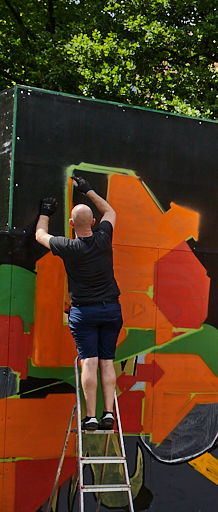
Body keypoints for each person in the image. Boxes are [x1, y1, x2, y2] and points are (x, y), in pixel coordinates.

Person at [35, 175, 122, 433]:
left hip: (84, 312)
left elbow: (41, 234)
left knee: (90, 362)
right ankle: (109, 413)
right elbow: (110, 211)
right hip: (111, 309)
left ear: (71, 224)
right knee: (107, 362)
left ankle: (92, 417)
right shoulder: (104, 237)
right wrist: (88, 191)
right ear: (93, 223)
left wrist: (45, 212)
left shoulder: (68, 246)